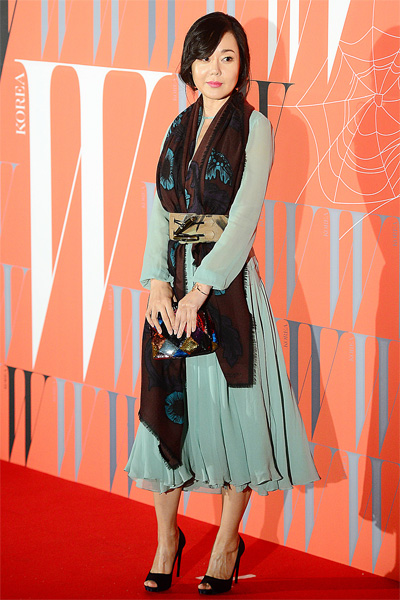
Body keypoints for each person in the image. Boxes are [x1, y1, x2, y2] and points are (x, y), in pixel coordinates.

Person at [125, 11, 320, 595]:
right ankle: (167, 540)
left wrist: (201, 288)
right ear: (189, 63)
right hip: (172, 288)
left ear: (242, 67)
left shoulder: (255, 127)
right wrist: (156, 282)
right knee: (165, 407)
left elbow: (243, 219)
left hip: (226, 289)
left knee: (235, 417)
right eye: (205, 57)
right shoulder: (176, 126)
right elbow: (159, 211)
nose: (215, 69)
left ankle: (227, 543)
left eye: (228, 58)